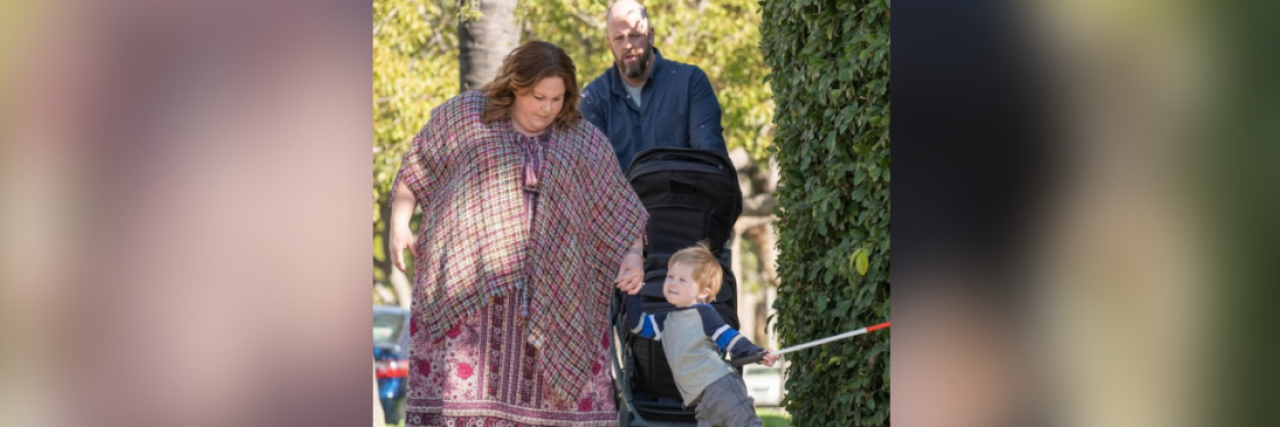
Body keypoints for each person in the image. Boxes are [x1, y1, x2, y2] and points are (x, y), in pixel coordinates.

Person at [388, 40, 649, 427]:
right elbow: (417, 167)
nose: (547, 108)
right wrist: (398, 223)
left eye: (557, 99)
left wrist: (632, 256)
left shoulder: (583, 140)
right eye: (537, 96)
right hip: (471, 302)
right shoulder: (466, 117)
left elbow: (620, 207)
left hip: (558, 306)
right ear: (514, 86)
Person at [622, 243, 779, 427]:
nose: (672, 282)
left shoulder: (704, 313)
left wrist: (757, 354)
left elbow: (730, 338)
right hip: (700, 400)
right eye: (670, 276)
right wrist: (632, 293)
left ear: (703, 292)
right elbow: (638, 326)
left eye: (682, 280)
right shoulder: (667, 319)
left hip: (720, 386)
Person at [580, 0, 729, 171]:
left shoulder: (690, 82)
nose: (627, 45)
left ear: (650, 36)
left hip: (686, 195)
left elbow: (711, 159)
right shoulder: (593, 99)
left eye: (634, 35)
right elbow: (593, 175)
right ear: (609, 43)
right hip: (622, 197)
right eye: (619, 38)